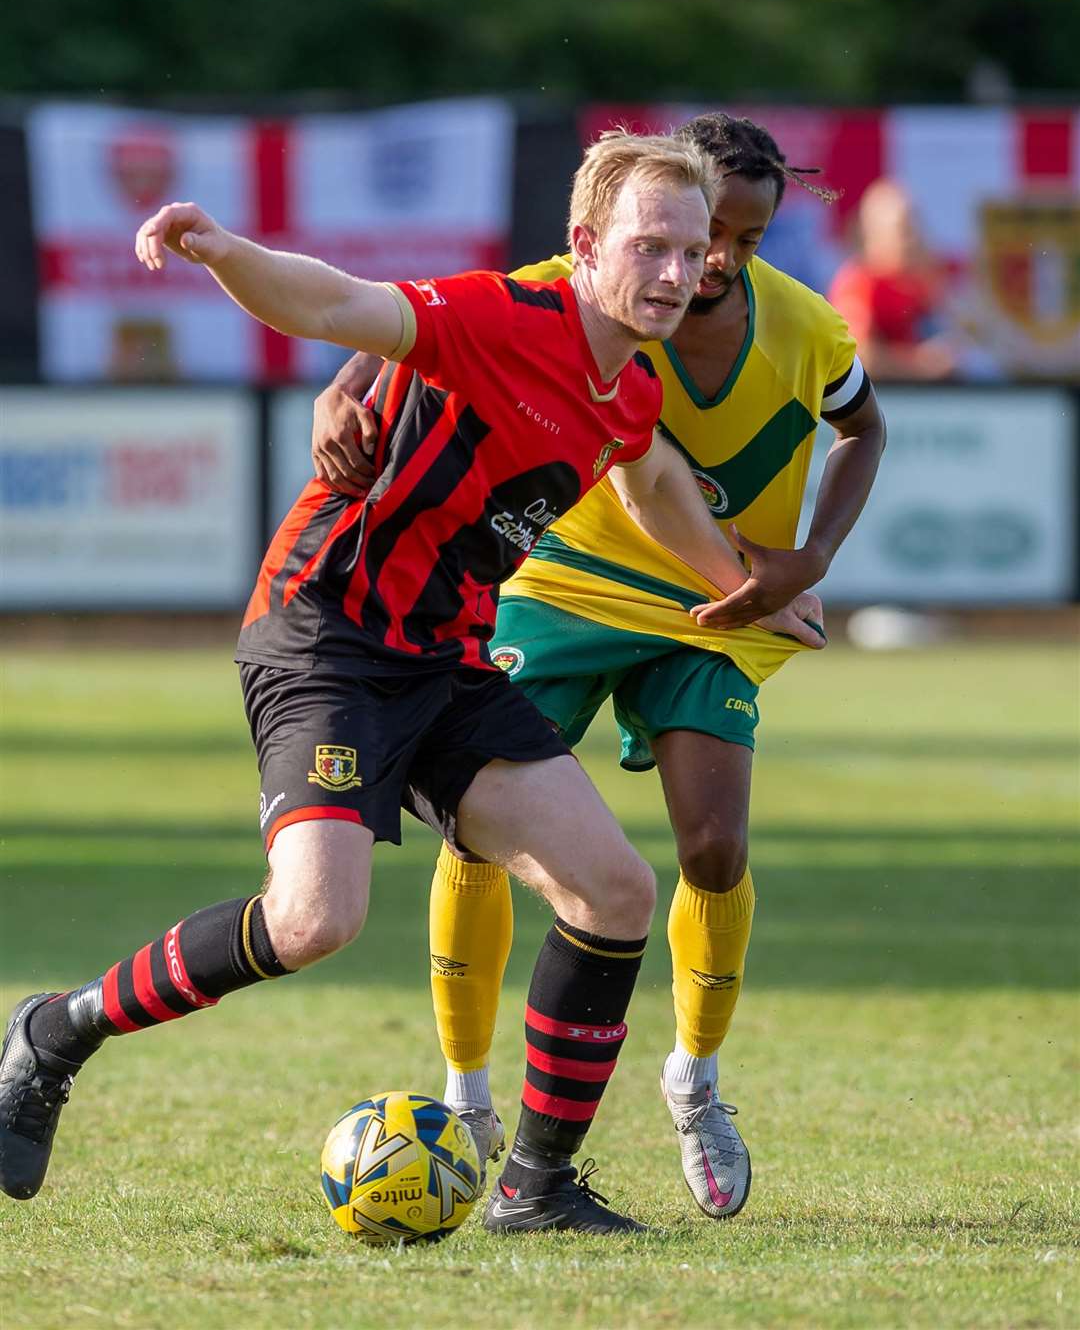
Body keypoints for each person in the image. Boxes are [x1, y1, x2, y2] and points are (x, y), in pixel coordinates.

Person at [0, 131, 824, 1236]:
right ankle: (57, 1032)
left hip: (446, 657)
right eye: (652, 248)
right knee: (313, 922)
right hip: (328, 633)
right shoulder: (497, 319)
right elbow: (338, 305)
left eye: (692, 252)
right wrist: (221, 249)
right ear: (584, 246)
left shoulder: (626, 389)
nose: (680, 274)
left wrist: (746, 583)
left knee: (616, 892)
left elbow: (655, 486)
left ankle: (536, 1189)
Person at [311, 113, 886, 1222]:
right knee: (483, 825)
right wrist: (344, 390)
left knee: (714, 849)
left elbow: (866, 427)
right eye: (701, 229)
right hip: (564, 582)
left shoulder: (808, 330)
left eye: (746, 240)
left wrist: (811, 555)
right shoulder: (602, 273)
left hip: (712, 602)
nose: (711, 258)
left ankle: (695, 1079)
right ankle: (466, 1093)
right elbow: (428, 318)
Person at [828, 178, 957, 381]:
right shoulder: (857, 285)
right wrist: (920, 366)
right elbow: (856, 357)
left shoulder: (922, 282)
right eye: (904, 230)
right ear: (874, 234)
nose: (914, 239)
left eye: (917, 226)